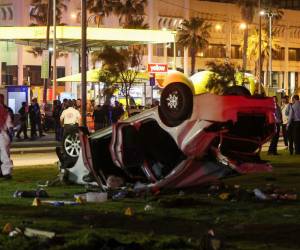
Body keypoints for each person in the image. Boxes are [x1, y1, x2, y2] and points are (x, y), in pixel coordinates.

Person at [0, 101, 14, 180]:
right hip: (3, 134)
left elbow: (9, 124)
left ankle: (6, 173)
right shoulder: (5, 110)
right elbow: (9, 124)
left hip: (2, 133)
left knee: (4, 154)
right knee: (4, 154)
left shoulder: (4, 111)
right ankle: (6, 172)